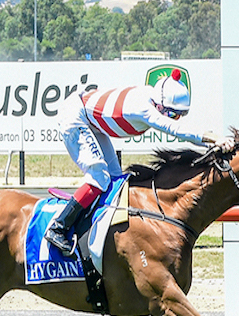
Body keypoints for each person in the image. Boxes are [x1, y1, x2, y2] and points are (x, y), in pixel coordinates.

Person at [45, 69, 229, 256]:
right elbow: (176, 130)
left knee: (115, 179)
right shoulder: (144, 109)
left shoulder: (153, 97)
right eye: (173, 115)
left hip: (89, 120)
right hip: (76, 117)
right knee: (99, 178)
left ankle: (96, 229)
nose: (175, 119)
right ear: (159, 106)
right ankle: (58, 227)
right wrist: (214, 139)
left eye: (180, 115)